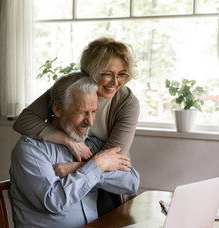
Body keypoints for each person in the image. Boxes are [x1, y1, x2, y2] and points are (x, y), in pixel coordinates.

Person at [13, 37, 140, 215]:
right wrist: (68, 141)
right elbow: (24, 121)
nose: (115, 82)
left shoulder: (127, 103)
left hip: (108, 186)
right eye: (107, 73)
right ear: (91, 72)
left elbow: (110, 158)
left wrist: (71, 168)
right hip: (78, 179)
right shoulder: (72, 89)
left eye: (122, 74)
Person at [9, 72, 140, 228]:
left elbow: (131, 182)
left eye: (94, 112)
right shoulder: (30, 150)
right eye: (82, 112)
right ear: (57, 109)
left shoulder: (92, 145)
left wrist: (88, 166)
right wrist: (98, 166)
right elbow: (53, 201)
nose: (90, 121)